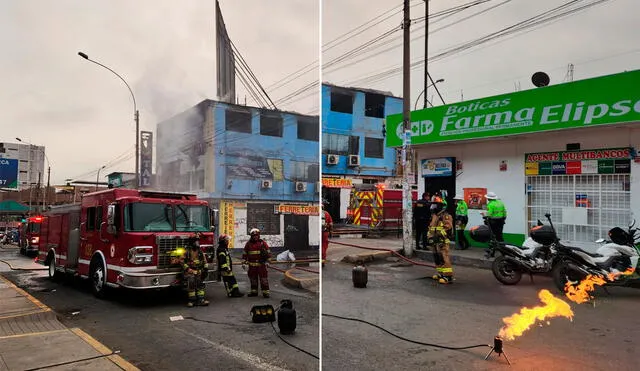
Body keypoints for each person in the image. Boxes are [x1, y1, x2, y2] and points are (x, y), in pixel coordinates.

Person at [427, 197, 454, 284]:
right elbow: (431, 228)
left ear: (442, 206)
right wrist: (429, 237)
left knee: (444, 257)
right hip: (435, 241)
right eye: (433, 204)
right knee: (437, 258)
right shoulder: (434, 216)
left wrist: (439, 236)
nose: (433, 206)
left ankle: (448, 276)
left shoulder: (446, 216)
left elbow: (448, 228)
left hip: (442, 241)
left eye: (436, 205)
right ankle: (441, 273)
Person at [242, 228, 271, 298]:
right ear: (251, 236)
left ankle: (266, 293)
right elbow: (245, 253)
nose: (255, 237)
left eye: (257, 235)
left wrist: (268, 261)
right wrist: (243, 262)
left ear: (259, 236)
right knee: (253, 279)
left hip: (262, 265)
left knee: (264, 279)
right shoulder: (248, 244)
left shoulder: (262, 243)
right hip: (252, 266)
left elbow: (268, 252)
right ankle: (254, 292)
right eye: (254, 235)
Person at [181, 234, 209, 307]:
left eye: (197, 241)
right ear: (191, 242)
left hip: (199, 270)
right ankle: (192, 301)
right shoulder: (186, 251)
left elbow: (204, 260)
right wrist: (188, 269)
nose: (197, 243)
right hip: (190, 271)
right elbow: (182, 261)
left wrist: (205, 269)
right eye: (195, 241)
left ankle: (201, 300)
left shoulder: (200, 251)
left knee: (200, 283)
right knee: (191, 283)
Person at [321, 200, 333, 266]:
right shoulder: (327, 213)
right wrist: (331, 232)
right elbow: (331, 224)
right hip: (325, 233)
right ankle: (322, 262)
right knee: (324, 247)